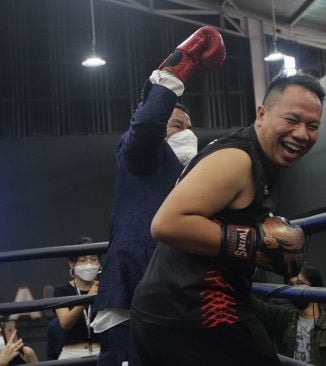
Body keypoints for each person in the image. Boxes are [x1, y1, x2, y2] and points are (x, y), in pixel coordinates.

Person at [130, 70, 326, 366]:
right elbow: (166, 223)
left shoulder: (255, 157)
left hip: (172, 310)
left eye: (313, 126)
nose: (302, 133)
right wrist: (255, 244)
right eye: (292, 120)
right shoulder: (238, 159)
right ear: (261, 114)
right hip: (194, 314)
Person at [90, 26, 223, 366]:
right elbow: (148, 124)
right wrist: (176, 71)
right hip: (134, 286)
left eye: (190, 126)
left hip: (177, 292)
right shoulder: (139, 152)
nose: (187, 133)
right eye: (177, 126)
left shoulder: (194, 173)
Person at [252, 266, 326, 366]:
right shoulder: (283, 319)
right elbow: (252, 303)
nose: (294, 289)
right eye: (290, 285)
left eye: (300, 283)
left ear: (315, 288)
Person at [53, 237, 102, 359]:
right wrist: (88, 298)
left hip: (102, 352)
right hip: (72, 354)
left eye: (94, 259)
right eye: (82, 260)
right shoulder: (62, 290)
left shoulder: (105, 287)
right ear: (71, 263)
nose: (89, 264)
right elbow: (65, 323)